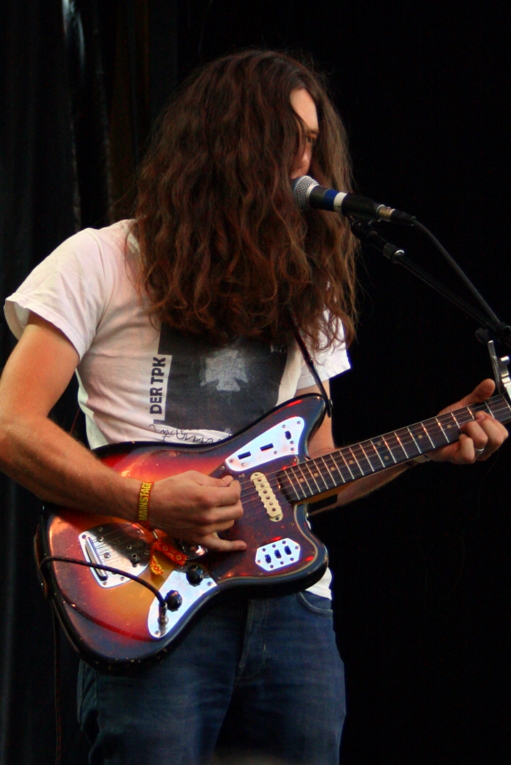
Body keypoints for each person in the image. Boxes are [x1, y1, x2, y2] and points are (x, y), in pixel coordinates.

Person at [0, 50, 507, 765]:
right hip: (150, 595)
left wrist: (426, 442)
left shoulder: (309, 298)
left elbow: (317, 476)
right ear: (228, 142)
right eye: (291, 140)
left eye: (314, 143)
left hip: (291, 607)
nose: (310, 165)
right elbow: (12, 427)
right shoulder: (97, 260)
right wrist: (145, 500)